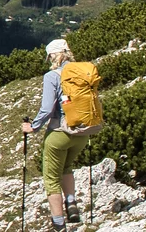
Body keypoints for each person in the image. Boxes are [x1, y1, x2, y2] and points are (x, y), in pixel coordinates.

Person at [19, 38, 100, 231]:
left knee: (51, 179)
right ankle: (71, 205)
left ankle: (58, 224)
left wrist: (33, 127)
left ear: (54, 55)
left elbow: (47, 109)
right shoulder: (85, 71)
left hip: (59, 133)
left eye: (49, 57)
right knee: (67, 166)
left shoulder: (52, 76)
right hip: (83, 132)